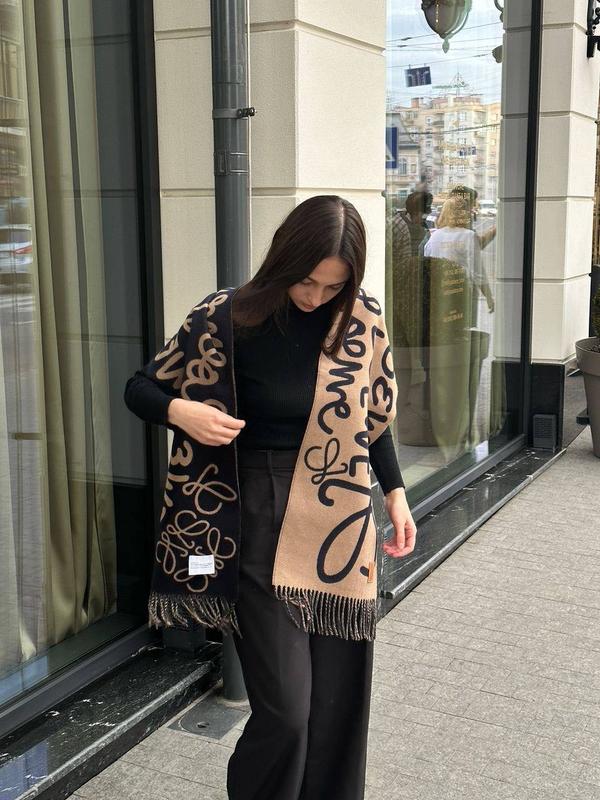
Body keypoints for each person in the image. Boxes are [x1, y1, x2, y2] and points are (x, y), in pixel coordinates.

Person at [124, 194, 417, 800]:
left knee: (338, 697)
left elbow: (372, 419)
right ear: (283, 259)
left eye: (332, 286)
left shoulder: (360, 317)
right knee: (286, 709)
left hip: (338, 514)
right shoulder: (225, 316)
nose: (315, 297)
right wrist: (181, 412)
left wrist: (395, 492)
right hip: (253, 509)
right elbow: (141, 386)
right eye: (306, 281)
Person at [424, 194, 495, 316]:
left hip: (438, 296)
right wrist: (489, 297)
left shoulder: (434, 237)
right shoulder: (468, 236)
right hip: (461, 295)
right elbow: (478, 273)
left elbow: (427, 267)